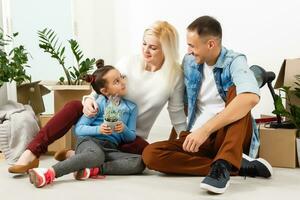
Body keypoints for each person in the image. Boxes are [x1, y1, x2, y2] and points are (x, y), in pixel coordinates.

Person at [8, 21, 187, 174]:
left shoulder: (174, 75)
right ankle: (31, 153)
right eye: (144, 44)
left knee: (147, 159)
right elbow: (102, 86)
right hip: (98, 124)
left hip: (128, 136)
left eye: (153, 47)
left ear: (167, 49)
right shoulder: (128, 61)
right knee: (73, 106)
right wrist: (88, 101)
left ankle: (81, 159)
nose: (146, 50)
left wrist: (186, 141)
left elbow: (177, 114)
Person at [142, 16, 273, 194]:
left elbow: (250, 98)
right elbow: (184, 104)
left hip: (228, 134)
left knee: (240, 94)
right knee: (151, 154)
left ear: (210, 44)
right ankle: (233, 165)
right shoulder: (189, 62)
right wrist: (183, 136)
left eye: (192, 45)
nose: (188, 50)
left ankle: (224, 163)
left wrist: (205, 130)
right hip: (198, 136)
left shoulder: (234, 61)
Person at [28, 62, 145, 188]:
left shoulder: (131, 108)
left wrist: (123, 129)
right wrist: (99, 129)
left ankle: (91, 170)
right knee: (96, 155)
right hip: (89, 142)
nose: (122, 82)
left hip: (110, 147)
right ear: (104, 91)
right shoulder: (98, 104)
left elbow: (131, 136)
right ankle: (49, 173)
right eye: (116, 81)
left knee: (139, 162)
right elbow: (79, 129)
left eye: (121, 77)